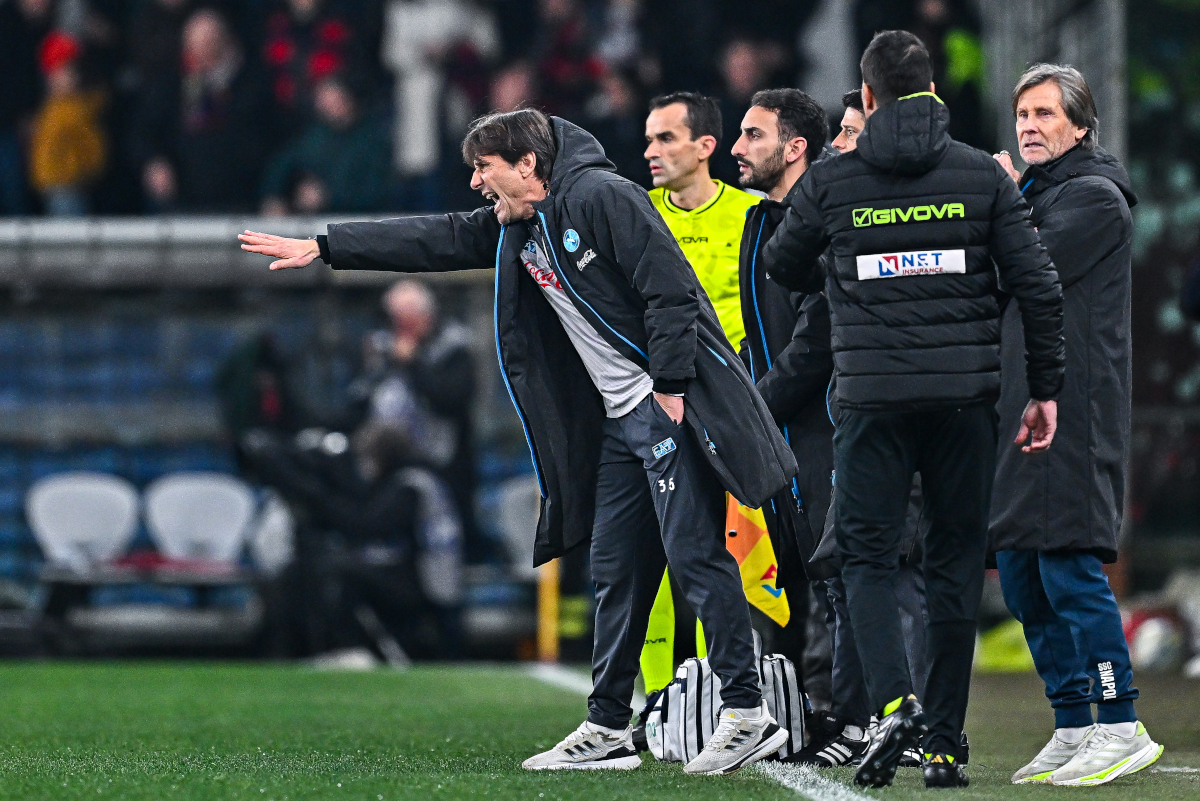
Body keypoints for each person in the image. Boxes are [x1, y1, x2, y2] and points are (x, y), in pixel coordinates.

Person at [240, 107, 797, 775]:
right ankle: (609, 723)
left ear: (527, 165)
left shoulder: (601, 196)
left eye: (484, 167)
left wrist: (671, 387)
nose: (476, 182)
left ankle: (746, 709)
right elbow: (435, 238)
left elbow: (671, 291)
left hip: (668, 409)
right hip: (624, 425)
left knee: (695, 556)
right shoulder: (519, 224)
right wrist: (326, 246)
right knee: (617, 571)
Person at [762, 30, 1065, 788]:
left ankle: (892, 702)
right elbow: (1037, 284)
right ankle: (942, 738)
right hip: (967, 402)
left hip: (870, 402)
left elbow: (781, 261)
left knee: (866, 556)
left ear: (866, 97)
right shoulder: (982, 174)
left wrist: (850, 273)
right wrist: (1046, 388)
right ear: (931, 89)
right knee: (954, 563)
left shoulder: (835, 180)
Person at [990, 64, 1163, 787]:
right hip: (1025, 408)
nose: (1029, 125)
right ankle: (1073, 721)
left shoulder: (1093, 197)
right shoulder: (1041, 192)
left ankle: (1120, 720)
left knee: (1066, 559)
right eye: (1022, 114)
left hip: (1075, 410)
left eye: (1045, 115)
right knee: (1024, 571)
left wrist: (998, 200)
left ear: (1081, 126)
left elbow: (1022, 268)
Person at [639, 91, 763, 698]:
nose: (650, 151)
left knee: (750, 553)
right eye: (649, 139)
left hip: (740, 405)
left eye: (665, 138)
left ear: (705, 146)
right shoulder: (638, 215)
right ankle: (663, 698)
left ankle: (744, 688)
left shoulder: (754, 214)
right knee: (659, 549)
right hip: (660, 400)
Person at [259, 74, 393, 215]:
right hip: (316, 222)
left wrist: (328, 198)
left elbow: (376, 193)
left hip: (358, 224)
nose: (327, 106)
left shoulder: (372, 140)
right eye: (322, 100)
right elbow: (282, 163)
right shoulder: (314, 136)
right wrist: (273, 196)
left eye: (334, 99)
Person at [27, 31, 106, 217]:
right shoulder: (52, 107)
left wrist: (76, 172)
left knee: (70, 235)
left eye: (65, 71)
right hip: (52, 187)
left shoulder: (78, 109)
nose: (57, 77)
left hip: (69, 185)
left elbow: (92, 150)